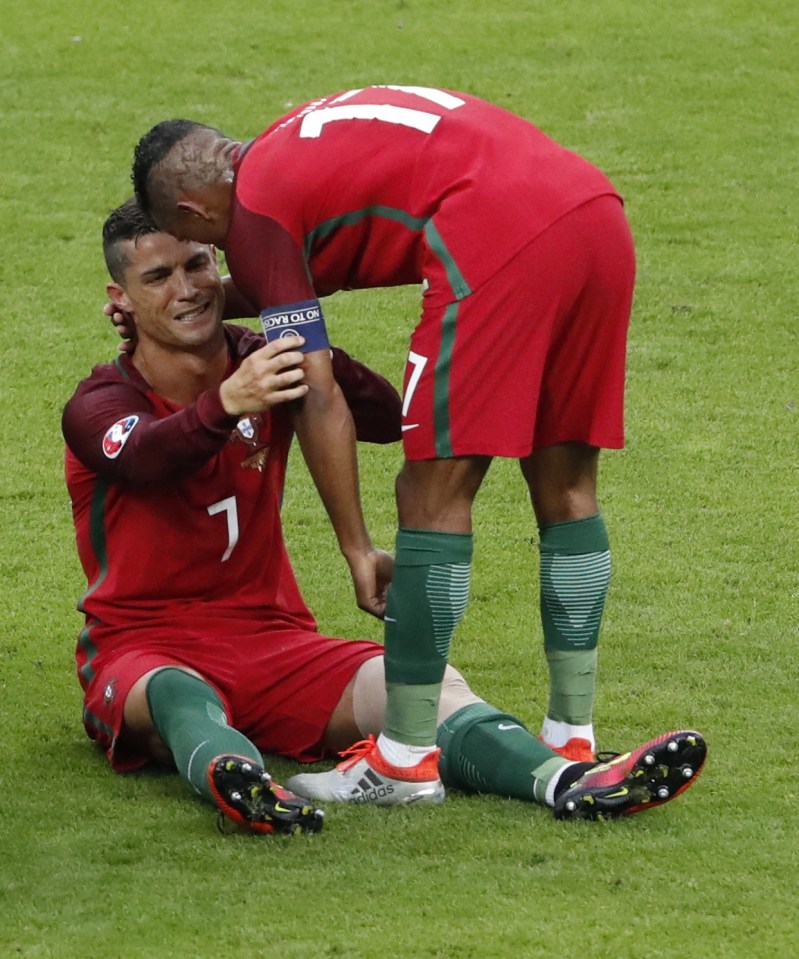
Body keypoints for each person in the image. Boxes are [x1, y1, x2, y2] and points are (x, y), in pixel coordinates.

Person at [63, 197, 705, 835]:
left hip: (274, 639)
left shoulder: (261, 364)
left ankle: (571, 781)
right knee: (180, 695)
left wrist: (301, 339)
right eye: (158, 277)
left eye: (198, 265)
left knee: (417, 686)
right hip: (141, 647)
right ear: (120, 297)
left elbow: (383, 415)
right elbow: (147, 456)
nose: (188, 288)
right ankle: (240, 779)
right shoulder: (100, 402)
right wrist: (228, 402)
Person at [128, 85, 640, 805]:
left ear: (192, 212)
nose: (216, 257)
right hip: (592, 213)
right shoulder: (293, 146)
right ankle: (570, 735)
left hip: (495, 238)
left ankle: (402, 758)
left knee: (428, 492)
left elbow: (315, 388)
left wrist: (356, 547)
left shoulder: (254, 213)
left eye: (205, 249)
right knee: (564, 485)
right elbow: (295, 281)